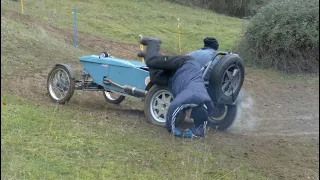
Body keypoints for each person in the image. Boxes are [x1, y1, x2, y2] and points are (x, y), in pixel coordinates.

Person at [138, 37, 214, 138]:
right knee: (152, 62)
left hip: (177, 76)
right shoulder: (190, 97)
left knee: (156, 78)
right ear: (191, 112)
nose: (189, 118)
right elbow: (173, 107)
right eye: (191, 118)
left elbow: (203, 121)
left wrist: (196, 133)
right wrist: (172, 129)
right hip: (184, 63)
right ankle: (153, 43)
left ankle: (148, 55)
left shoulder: (207, 104)